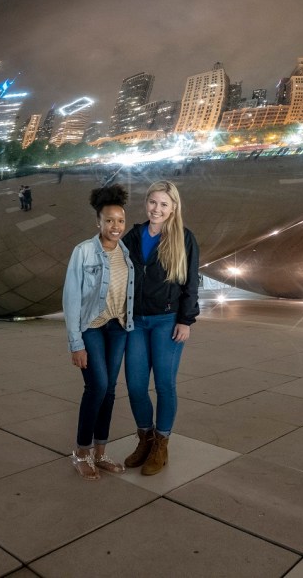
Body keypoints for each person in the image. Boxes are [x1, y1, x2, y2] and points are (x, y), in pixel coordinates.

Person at [121, 181, 199, 476]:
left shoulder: (184, 238)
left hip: (167, 322)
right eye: (153, 202)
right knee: (136, 386)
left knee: (165, 385)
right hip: (136, 322)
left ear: (174, 207)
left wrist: (185, 320)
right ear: (146, 204)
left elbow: (191, 282)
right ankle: (145, 438)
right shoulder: (134, 235)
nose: (157, 209)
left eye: (164, 204)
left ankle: (162, 445)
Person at [62, 184, 134, 480]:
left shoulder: (126, 252)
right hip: (91, 327)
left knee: (110, 391)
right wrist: (75, 343)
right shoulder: (83, 251)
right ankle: (81, 453)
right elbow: (71, 299)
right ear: (98, 223)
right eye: (109, 220)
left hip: (118, 328)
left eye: (120, 220)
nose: (115, 226)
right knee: (97, 387)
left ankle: (101, 453)